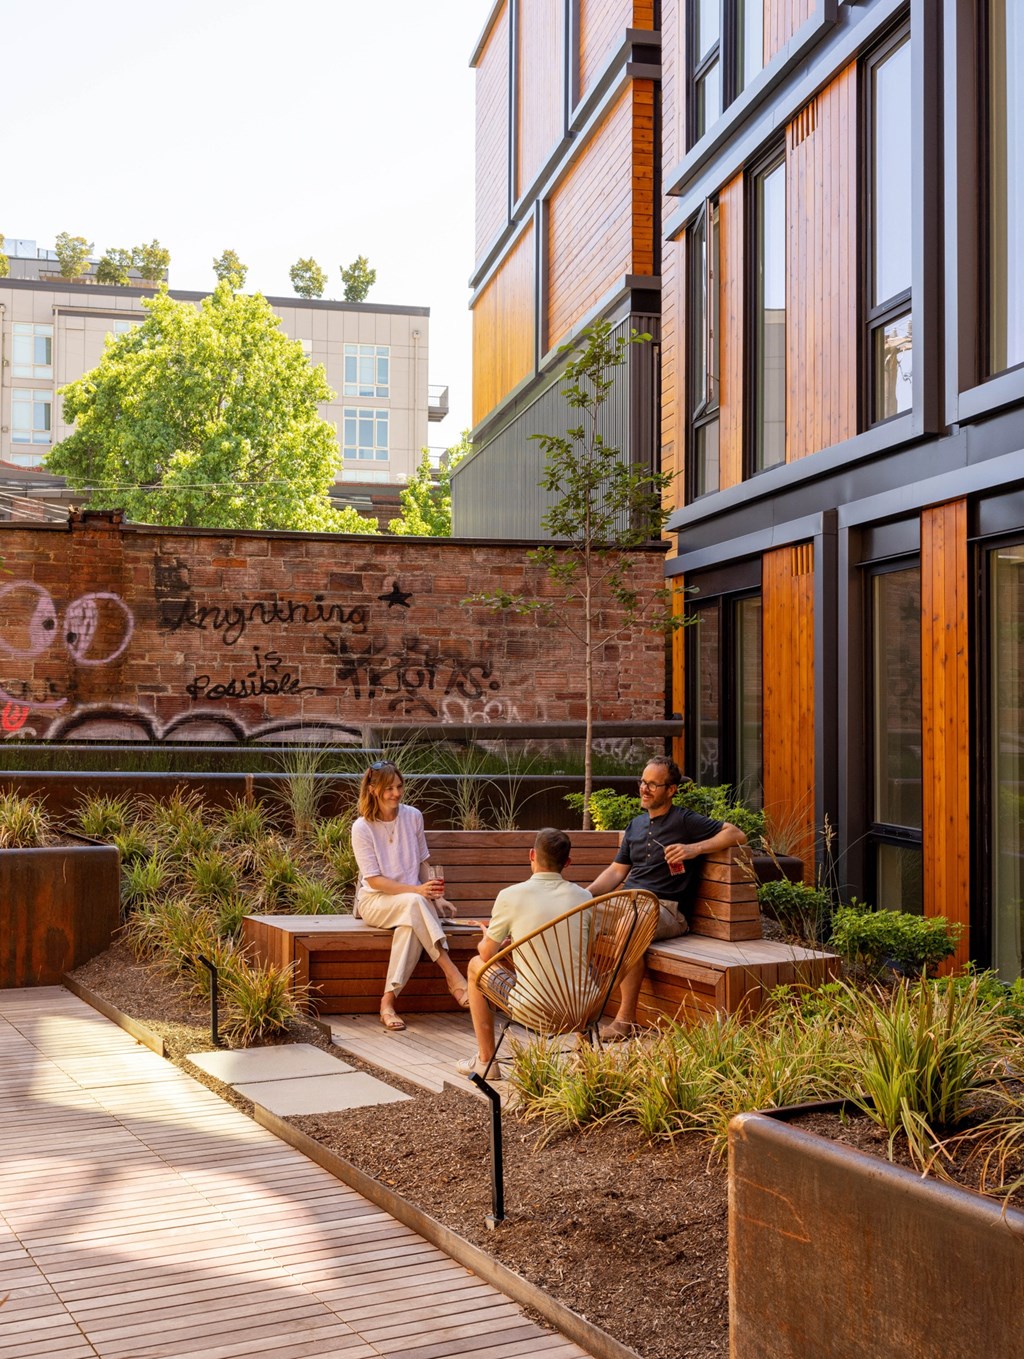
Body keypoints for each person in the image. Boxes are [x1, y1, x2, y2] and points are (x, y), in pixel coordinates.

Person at [587, 756, 746, 1040]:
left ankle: (625, 1020)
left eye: (652, 785)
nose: (644, 790)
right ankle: (574, 1006)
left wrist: (693, 849)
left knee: (629, 926)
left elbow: (736, 834)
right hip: (627, 902)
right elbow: (615, 872)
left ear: (671, 790)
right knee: (573, 918)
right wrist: (583, 896)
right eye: (642, 782)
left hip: (666, 909)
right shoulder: (635, 825)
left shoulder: (684, 821)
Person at [456, 827, 592, 1080]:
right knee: (583, 968)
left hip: (533, 1008)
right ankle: (583, 1056)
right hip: (583, 1008)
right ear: (568, 863)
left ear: (531, 855)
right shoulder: (585, 897)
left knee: (476, 964)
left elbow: (487, 955)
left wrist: (488, 938)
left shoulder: (510, 896)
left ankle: (486, 1061)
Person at [350, 760, 470, 1031]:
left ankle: (387, 1003)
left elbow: (422, 863)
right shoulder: (362, 827)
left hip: (411, 903)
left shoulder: (413, 816)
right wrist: (418, 891)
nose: (396, 793)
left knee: (410, 928)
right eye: (388, 788)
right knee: (415, 904)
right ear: (372, 789)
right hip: (376, 901)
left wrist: (436, 897)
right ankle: (453, 976)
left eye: (399, 786)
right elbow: (374, 880)